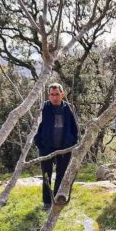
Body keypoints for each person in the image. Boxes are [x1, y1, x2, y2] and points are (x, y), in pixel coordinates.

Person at [34, 83, 79, 211]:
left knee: (62, 174)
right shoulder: (43, 109)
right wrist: (39, 143)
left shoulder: (69, 108)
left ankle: (58, 199)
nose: (54, 97)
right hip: (46, 148)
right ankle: (47, 202)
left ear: (62, 95)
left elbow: (75, 128)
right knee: (46, 175)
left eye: (57, 94)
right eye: (52, 95)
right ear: (49, 96)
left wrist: (72, 142)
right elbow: (35, 128)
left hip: (64, 148)